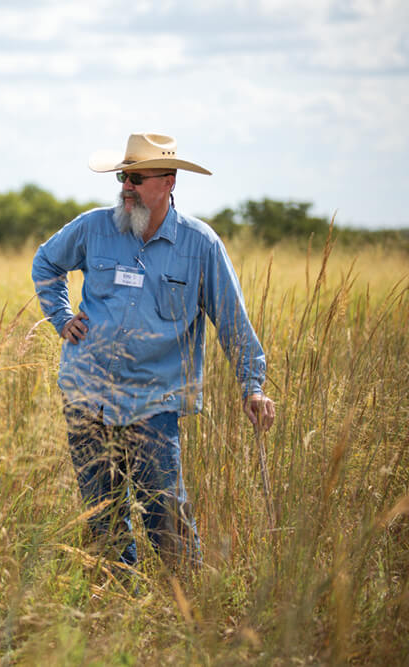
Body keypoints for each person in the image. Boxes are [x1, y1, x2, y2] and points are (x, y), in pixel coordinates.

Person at [31, 132, 275, 572]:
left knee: (165, 512)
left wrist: (251, 386)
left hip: (153, 401)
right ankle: (114, 600)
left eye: (138, 178)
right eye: (124, 176)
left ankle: (186, 602)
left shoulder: (200, 245)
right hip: (88, 395)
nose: (126, 186)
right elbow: (45, 262)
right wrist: (60, 315)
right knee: (101, 513)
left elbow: (231, 318)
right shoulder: (93, 227)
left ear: (169, 182)